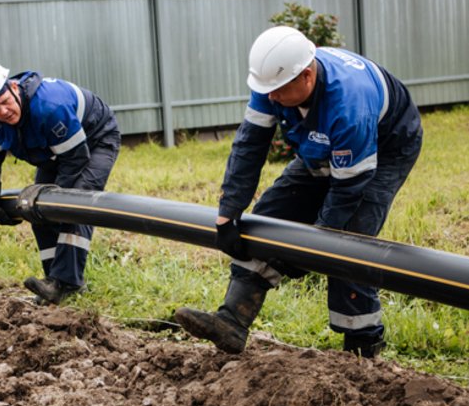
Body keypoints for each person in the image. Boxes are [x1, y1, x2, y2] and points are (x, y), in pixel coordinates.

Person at [175, 26, 423, 357]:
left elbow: (347, 189)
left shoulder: (349, 104)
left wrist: (311, 249)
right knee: (268, 217)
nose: (271, 97)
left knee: (348, 243)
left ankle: (363, 350)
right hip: (321, 142)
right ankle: (232, 321)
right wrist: (228, 212)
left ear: (306, 76)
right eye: (267, 90)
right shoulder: (272, 83)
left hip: (386, 147)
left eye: (277, 90)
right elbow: (249, 146)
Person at [0, 60, 120, 305]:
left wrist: (58, 200)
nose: (3, 112)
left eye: (5, 102)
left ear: (14, 87)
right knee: (36, 208)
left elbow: (76, 158)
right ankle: (51, 283)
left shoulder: (49, 106)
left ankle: (67, 284)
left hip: (95, 139)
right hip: (56, 150)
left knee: (73, 205)